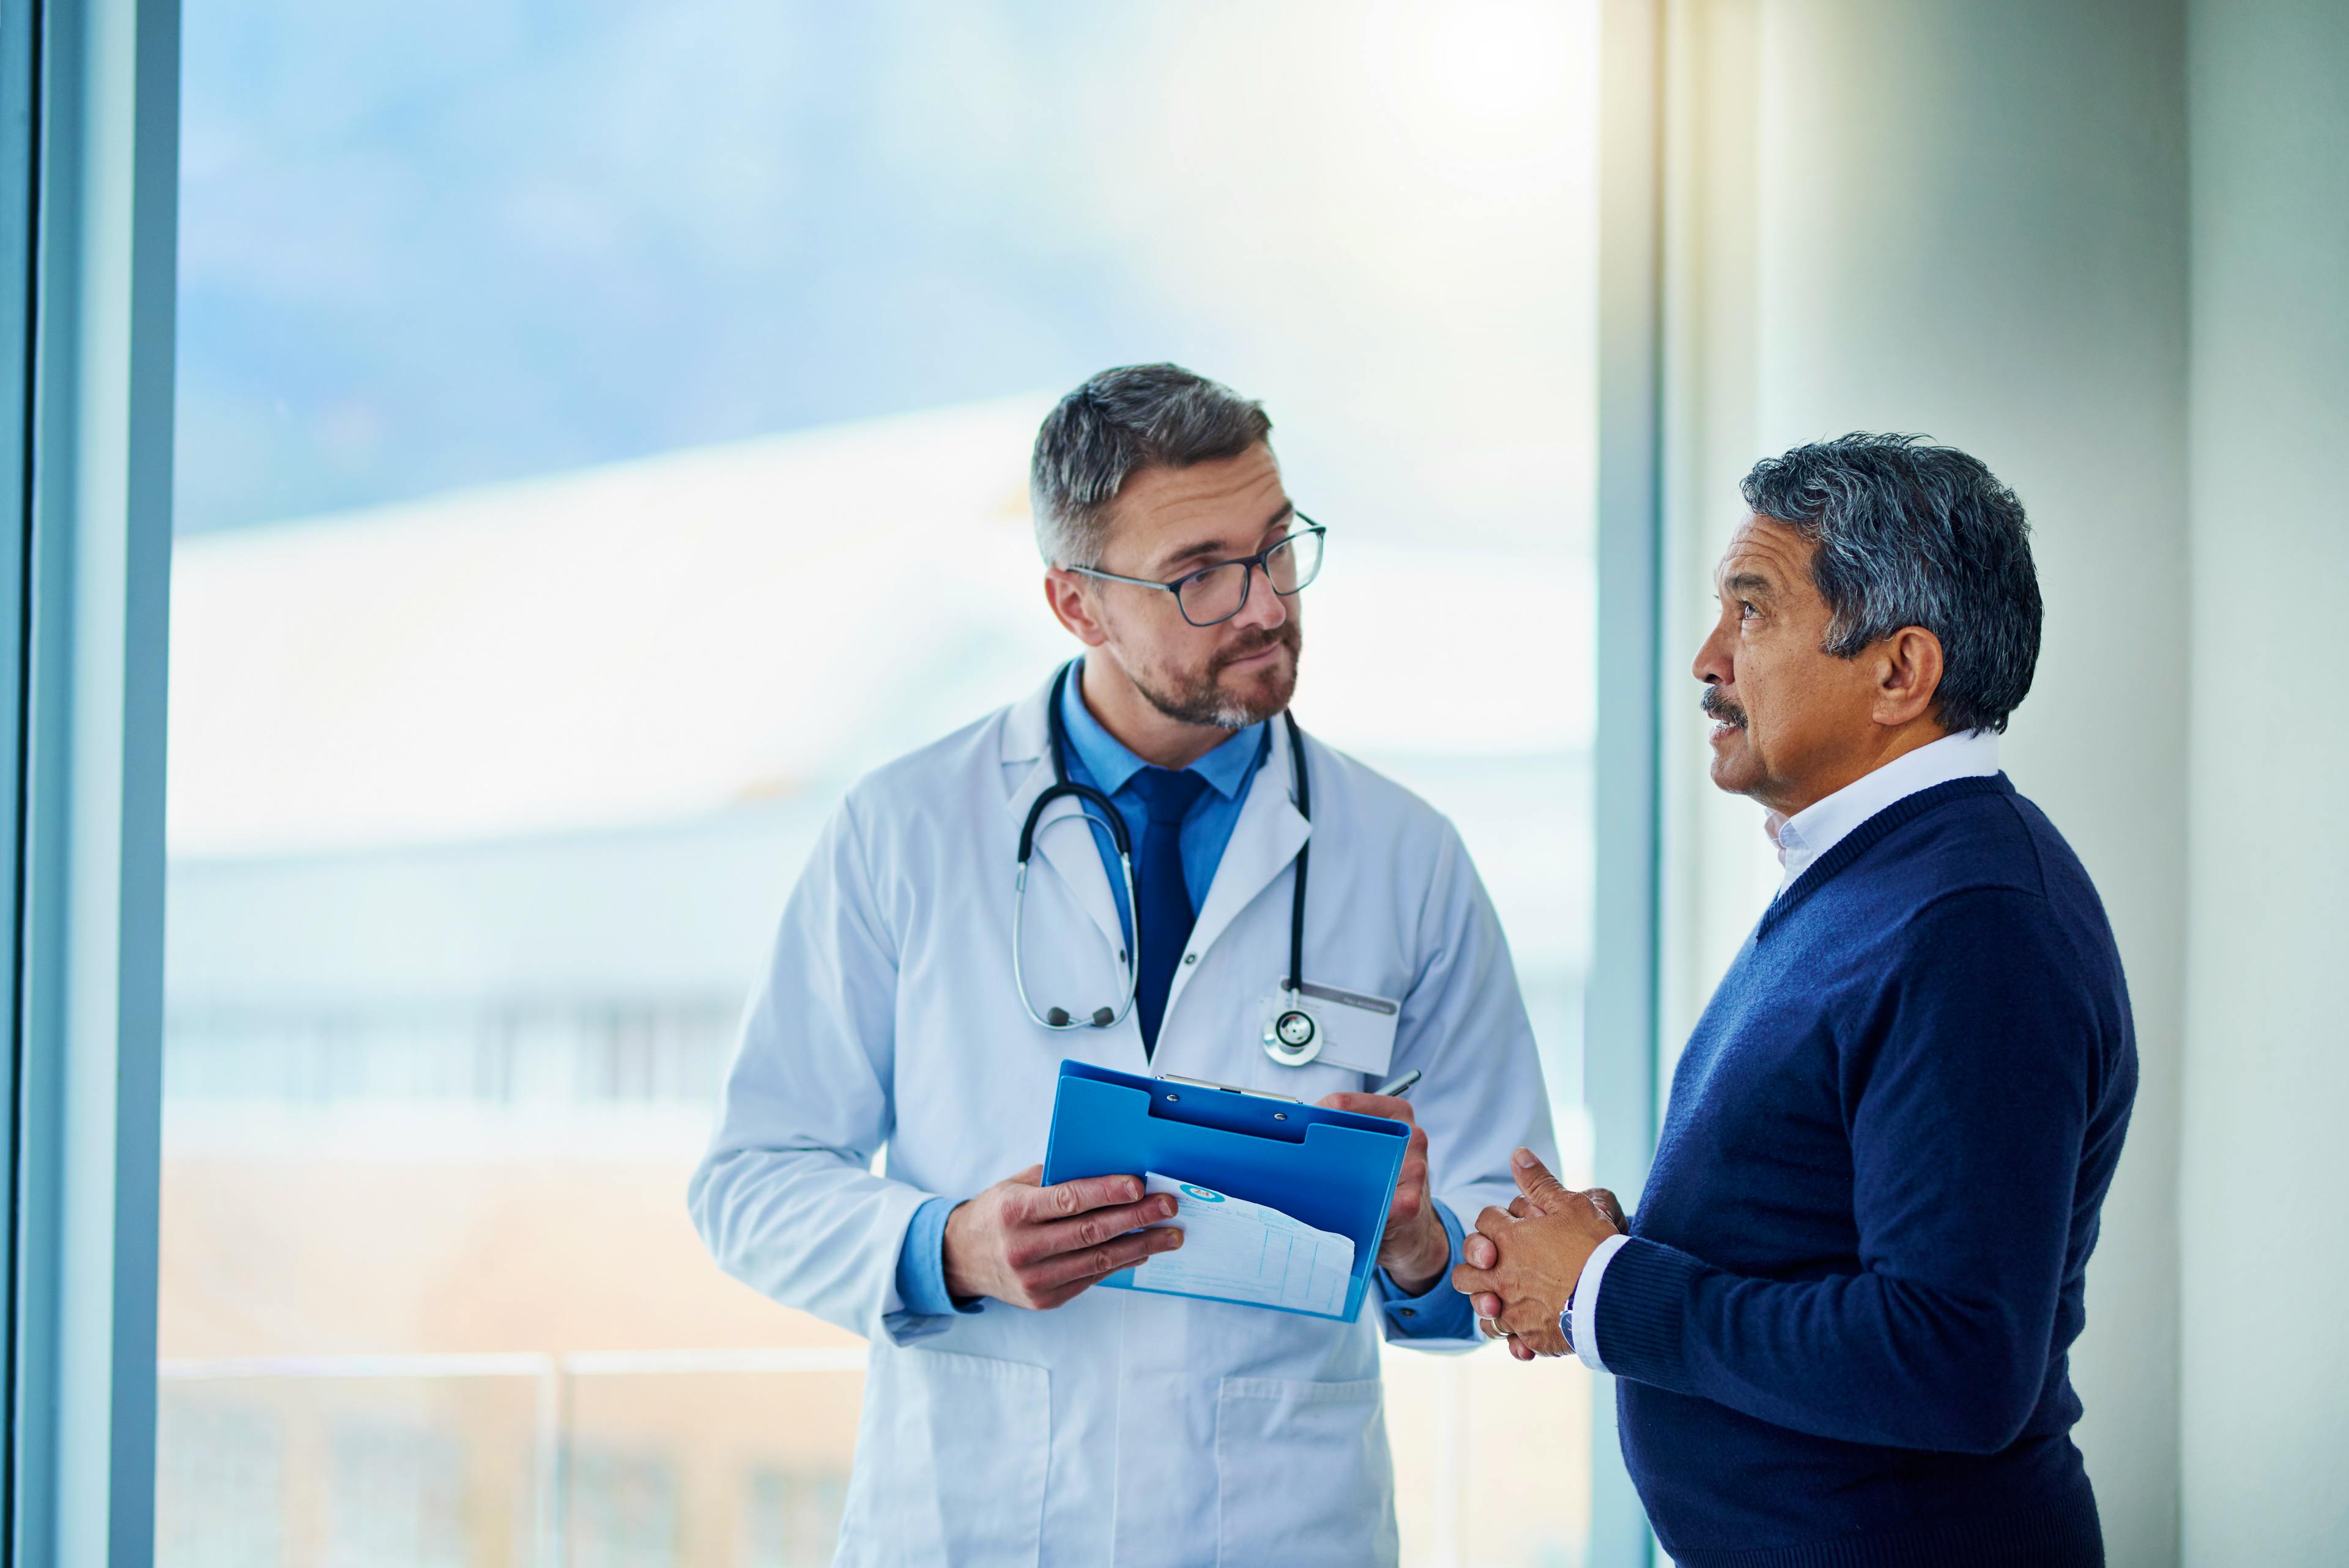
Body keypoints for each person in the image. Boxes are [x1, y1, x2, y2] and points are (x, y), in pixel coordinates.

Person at [691, 363, 1555, 1567]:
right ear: (1075, 603)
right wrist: (949, 1246)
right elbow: (751, 1178)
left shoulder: (1403, 854)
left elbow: (1510, 1235)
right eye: (1199, 574)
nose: (1264, 604)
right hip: (977, 1516)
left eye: (1277, 547)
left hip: (1278, 1523)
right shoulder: (906, 828)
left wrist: (1415, 1241)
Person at [1455, 434, 2137, 1567]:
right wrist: (1595, 1264)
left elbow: (1953, 1356)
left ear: (1899, 673)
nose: (1707, 659)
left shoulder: (1974, 922)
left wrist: (1606, 1290)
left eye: (1753, 612)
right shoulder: (1878, 877)